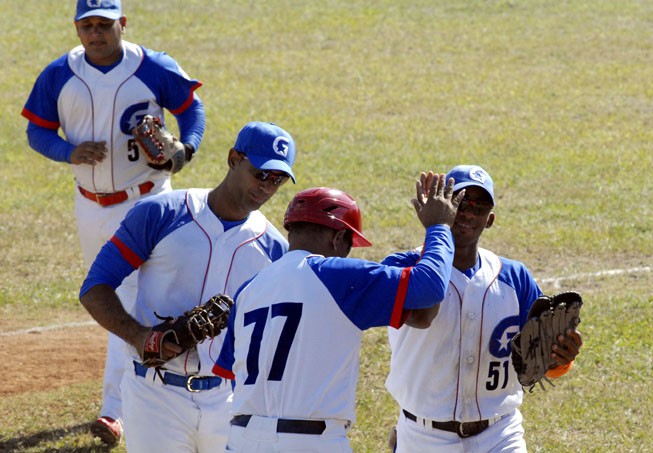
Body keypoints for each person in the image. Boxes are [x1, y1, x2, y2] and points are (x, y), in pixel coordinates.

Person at [21, 0, 206, 445]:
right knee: (109, 296)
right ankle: (147, 390)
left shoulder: (153, 67)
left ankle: (117, 410)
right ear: (77, 28)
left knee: (129, 296)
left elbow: (191, 110)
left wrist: (187, 148)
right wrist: (69, 151)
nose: (96, 33)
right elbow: (36, 131)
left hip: (148, 202)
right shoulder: (59, 74)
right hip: (90, 206)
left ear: (122, 24)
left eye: (105, 24)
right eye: (88, 26)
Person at [79, 121, 296, 452]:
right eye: (260, 173)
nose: (267, 186)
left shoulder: (274, 249)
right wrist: (140, 337)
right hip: (155, 396)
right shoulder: (162, 213)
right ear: (234, 159)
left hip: (229, 401)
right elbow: (95, 286)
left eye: (277, 179)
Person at [212, 173, 464, 452]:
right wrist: (439, 227)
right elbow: (429, 287)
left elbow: (232, 373)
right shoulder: (336, 276)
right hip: (308, 443)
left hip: (242, 439)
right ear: (339, 238)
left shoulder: (248, 290)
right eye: (349, 245)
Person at [383, 165, 584, 452]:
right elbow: (418, 311)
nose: (468, 213)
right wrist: (435, 230)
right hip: (424, 437)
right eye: (461, 203)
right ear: (443, 206)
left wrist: (561, 359)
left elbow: (543, 353)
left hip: (500, 434)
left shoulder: (515, 278)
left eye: (479, 208)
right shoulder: (402, 268)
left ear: (489, 220)